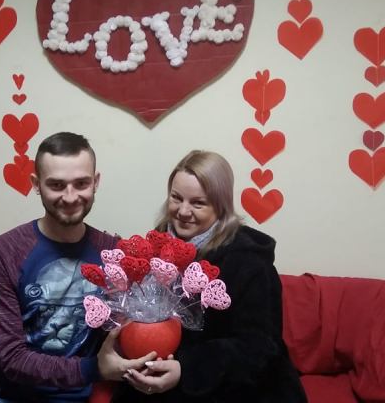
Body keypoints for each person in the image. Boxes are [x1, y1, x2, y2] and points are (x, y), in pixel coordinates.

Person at [0, 132, 155, 403]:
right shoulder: (3, 252)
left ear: (95, 182)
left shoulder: (113, 253)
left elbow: (134, 329)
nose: (70, 197)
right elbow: (12, 359)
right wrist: (94, 369)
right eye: (57, 185)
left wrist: (162, 368)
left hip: (70, 397)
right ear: (36, 185)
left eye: (81, 183)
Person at [117, 150, 307, 402]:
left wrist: (186, 369)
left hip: (236, 387)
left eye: (198, 203)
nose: (183, 211)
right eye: (176, 198)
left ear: (221, 205)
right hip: (165, 377)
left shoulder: (248, 260)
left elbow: (260, 348)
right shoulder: (155, 246)